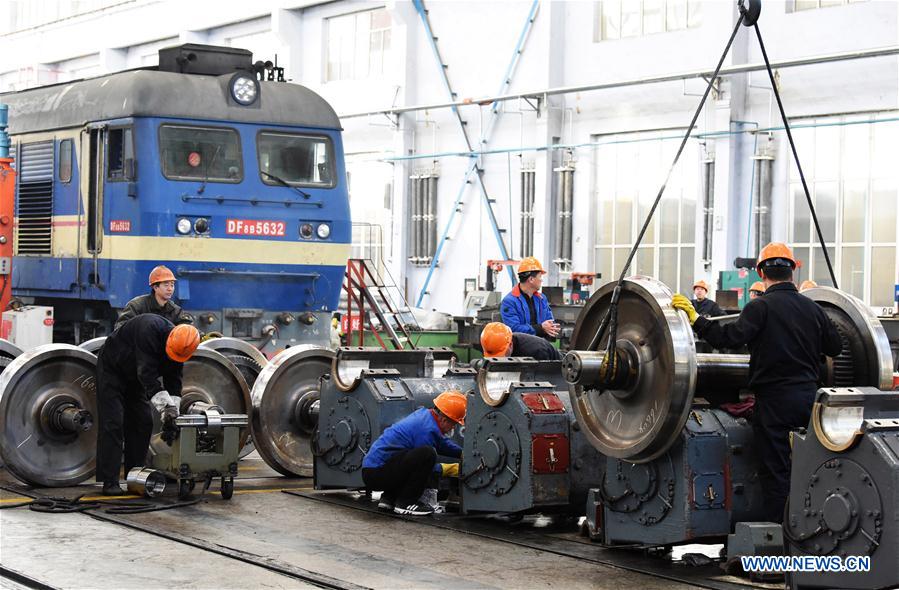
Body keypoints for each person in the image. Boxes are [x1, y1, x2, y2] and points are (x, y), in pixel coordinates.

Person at [672, 242, 841, 522]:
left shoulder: (759, 307)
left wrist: (696, 320)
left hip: (774, 402)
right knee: (812, 467)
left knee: (776, 472)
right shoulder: (813, 309)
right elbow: (834, 347)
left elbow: (728, 339)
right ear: (793, 272)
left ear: (761, 272)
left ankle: (783, 543)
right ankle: (817, 530)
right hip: (810, 401)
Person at [95, 315, 201, 495]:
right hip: (112, 370)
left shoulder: (181, 346)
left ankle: (134, 477)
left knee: (143, 422)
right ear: (169, 339)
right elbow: (147, 375)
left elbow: (174, 382)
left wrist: (173, 414)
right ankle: (109, 481)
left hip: (134, 377)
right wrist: (166, 409)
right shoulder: (149, 330)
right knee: (113, 423)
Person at [361, 390, 466, 516]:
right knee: (428, 454)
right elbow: (423, 468)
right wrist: (446, 469)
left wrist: (462, 453)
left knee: (409, 457)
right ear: (444, 419)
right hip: (377, 474)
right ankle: (406, 502)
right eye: (454, 424)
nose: (453, 428)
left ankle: (389, 499)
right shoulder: (425, 430)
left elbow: (441, 443)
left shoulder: (426, 417)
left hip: (376, 470)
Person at [501, 257, 560, 342]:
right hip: (521, 348)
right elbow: (513, 329)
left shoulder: (542, 299)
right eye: (540, 276)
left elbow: (550, 323)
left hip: (541, 345)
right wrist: (541, 328)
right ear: (531, 279)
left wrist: (551, 329)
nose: (541, 280)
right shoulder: (509, 302)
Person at [115, 265, 188, 330]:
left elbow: (189, 329)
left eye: (172, 285)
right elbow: (120, 329)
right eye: (166, 285)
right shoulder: (137, 306)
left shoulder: (175, 311)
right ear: (155, 287)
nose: (170, 289)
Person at [480, 321, 561, 361]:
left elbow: (545, 380)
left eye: (500, 355)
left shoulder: (535, 351)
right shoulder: (491, 344)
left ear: (510, 345)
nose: (497, 359)